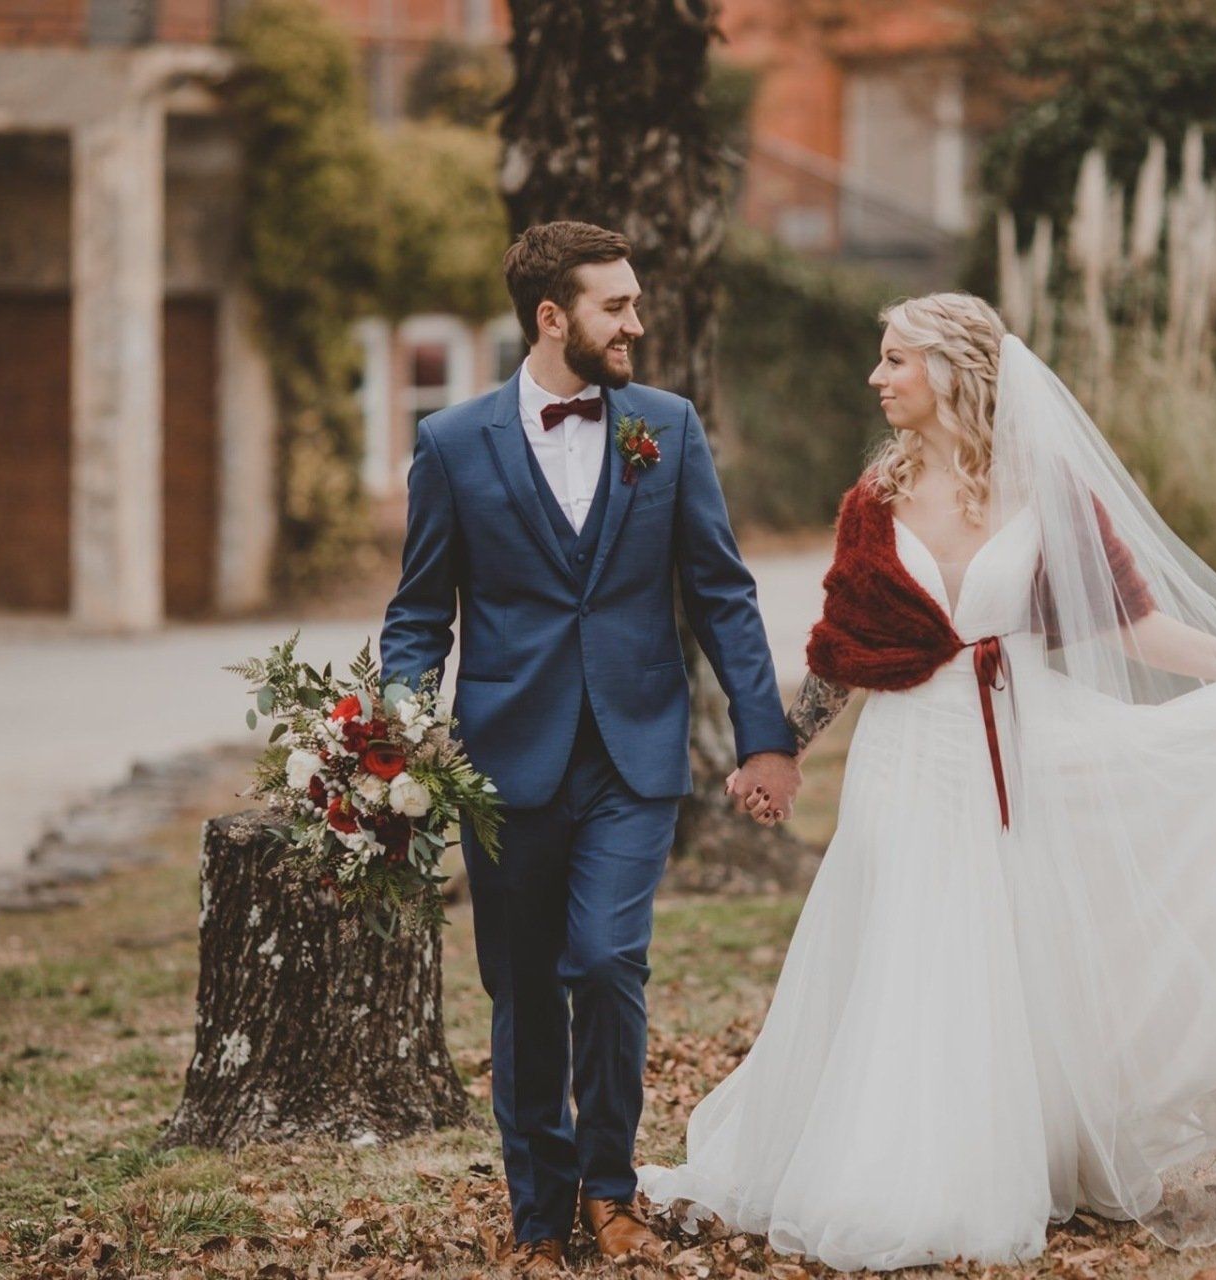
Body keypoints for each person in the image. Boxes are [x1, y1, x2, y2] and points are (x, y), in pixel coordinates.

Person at [637, 292, 1216, 1270]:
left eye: (896, 359)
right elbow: (841, 652)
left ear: (952, 370)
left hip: (1020, 746)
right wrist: (780, 751)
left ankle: (1019, 1151)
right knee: (908, 944)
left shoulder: (1048, 490)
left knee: (1013, 949)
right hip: (906, 758)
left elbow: (1131, 623)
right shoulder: (873, 500)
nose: (877, 377)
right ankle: (893, 1165)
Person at [379, 220, 801, 1273]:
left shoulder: (667, 427)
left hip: (633, 751)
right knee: (524, 989)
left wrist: (765, 738)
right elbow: (420, 613)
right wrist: (397, 733)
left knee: (608, 962)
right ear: (551, 317)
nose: (636, 323)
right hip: (502, 762)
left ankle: (610, 1188)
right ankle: (538, 1213)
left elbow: (722, 592)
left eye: (635, 302)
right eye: (616, 306)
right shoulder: (453, 443)